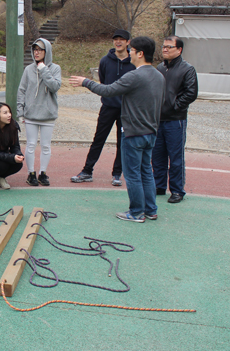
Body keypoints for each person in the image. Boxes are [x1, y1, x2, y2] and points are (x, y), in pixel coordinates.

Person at [69, 36, 165, 223]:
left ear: (140, 53)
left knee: (133, 174)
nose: (129, 53)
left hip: (134, 133)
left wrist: (85, 82)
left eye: (132, 50)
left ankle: (136, 212)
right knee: (146, 171)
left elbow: (108, 90)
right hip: (151, 132)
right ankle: (150, 209)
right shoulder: (159, 76)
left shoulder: (135, 76)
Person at [71, 29, 135, 186]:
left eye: (122, 39)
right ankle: (87, 171)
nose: (118, 42)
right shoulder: (105, 61)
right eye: (115, 39)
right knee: (98, 139)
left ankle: (117, 174)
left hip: (126, 110)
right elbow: (104, 82)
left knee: (123, 142)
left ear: (128, 42)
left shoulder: (133, 63)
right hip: (108, 107)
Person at [153, 35, 198, 204]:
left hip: (175, 120)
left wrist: (175, 106)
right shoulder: (160, 68)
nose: (165, 49)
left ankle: (177, 191)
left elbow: (191, 93)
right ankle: (159, 186)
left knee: (176, 157)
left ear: (179, 50)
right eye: (164, 46)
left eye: (169, 47)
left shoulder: (187, 69)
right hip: (159, 119)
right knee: (157, 156)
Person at [16, 37, 61, 187]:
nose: (37, 52)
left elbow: (54, 86)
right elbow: (21, 90)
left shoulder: (55, 68)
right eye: (35, 49)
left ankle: (43, 173)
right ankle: (31, 173)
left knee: (46, 146)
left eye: (40, 50)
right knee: (30, 145)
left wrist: (43, 69)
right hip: (31, 114)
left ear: (46, 51)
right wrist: (20, 111)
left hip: (48, 115)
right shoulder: (28, 69)